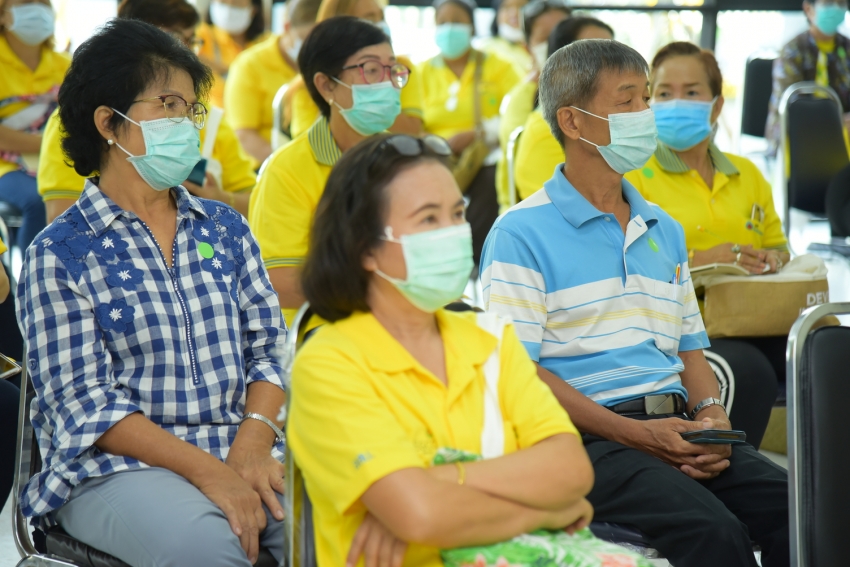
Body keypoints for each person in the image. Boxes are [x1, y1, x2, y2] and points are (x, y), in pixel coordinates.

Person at [481, 39, 790, 566]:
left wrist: (712, 418)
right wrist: (639, 435)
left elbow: (689, 350)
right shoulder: (519, 234)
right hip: (584, 439)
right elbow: (518, 374)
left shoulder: (662, 228)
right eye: (628, 101)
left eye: (646, 99)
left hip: (675, 423)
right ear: (572, 122)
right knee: (713, 531)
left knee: (803, 506)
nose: (647, 114)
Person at [16, 19, 287, 567]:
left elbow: (270, 349)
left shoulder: (225, 228)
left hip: (243, 446)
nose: (185, 123)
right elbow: (88, 404)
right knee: (209, 551)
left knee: (341, 527)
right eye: (167, 105)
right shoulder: (61, 253)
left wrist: (253, 442)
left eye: (190, 109)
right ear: (108, 123)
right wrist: (212, 473)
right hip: (115, 468)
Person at [288, 133, 596, 567]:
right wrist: (551, 512)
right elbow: (422, 515)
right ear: (366, 249)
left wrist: (441, 480)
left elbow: (572, 470)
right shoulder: (329, 364)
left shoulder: (490, 337)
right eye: (428, 219)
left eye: (456, 214)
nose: (452, 233)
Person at [625, 42, 791, 448]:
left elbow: (780, 246)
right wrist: (703, 259)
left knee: (827, 351)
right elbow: (626, 260)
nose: (676, 103)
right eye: (664, 93)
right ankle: (726, 467)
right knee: (751, 372)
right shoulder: (635, 176)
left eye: (692, 92)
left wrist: (770, 259)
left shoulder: (747, 174)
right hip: (684, 329)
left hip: (759, 315)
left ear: (716, 106)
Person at [249, 16, 409, 326]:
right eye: (371, 70)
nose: (388, 82)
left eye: (393, 69)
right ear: (326, 85)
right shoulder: (287, 170)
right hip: (326, 329)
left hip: (404, 321)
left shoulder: (405, 158)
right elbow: (278, 279)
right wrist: (378, 290)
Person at [38, 0, 258, 223]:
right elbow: (61, 218)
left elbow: (257, 202)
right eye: (173, 37)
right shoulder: (79, 118)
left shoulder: (204, 115)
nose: (185, 51)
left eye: (191, 40)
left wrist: (220, 199)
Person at [419, 0, 520, 264]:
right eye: (442, 22)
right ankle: (435, 257)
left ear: (472, 27)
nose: (449, 28)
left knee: (492, 178)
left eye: (457, 21)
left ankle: (474, 259)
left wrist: (479, 134)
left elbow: (516, 111)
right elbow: (410, 124)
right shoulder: (420, 73)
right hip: (433, 155)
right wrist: (435, 143)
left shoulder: (498, 66)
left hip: (483, 154)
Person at [500, 16, 612, 211]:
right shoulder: (550, 130)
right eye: (596, 57)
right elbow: (579, 210)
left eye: (614, 55)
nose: (612, 66)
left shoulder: (607, 118)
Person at [286, 0, 424, 140]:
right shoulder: (304, 87)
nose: (380, 25)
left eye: (381, 17)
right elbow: (309, 142)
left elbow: (412, 132)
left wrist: (381, 103)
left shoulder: (398, 69)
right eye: (369, 20)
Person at [0, 0, 68, 252]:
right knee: (38, 200)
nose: (37, 9)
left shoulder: (66, 65)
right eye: (27, 2)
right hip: (6, 167)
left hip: (57, 161)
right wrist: (51, 143)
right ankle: (35, 272)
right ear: (3, 15)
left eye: (43, 3)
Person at [224, 0, 321, 164]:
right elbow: (244, 135)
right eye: (306, 40)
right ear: (287, 27)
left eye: (321, 43)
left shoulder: (329, 64)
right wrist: (288, 165)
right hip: (265, 165)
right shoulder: (249, 66)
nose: (313, 49)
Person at [766, 0, 850, 153]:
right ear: (808, 8)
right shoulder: (792, 51)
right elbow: (793, 105)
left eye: (841, 3)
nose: (836, 8)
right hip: (797, 135)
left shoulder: (847, 48)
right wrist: (834, 122)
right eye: (828, 3)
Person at [197, 0, 267, 109]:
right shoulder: (201, 33)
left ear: (254, 9)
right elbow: (189, 57)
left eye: (236, 3)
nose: (228, 9)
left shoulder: (264, 43)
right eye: (223, 2)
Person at [480, 0, 531, 75]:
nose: (514, 13)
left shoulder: (539, 45)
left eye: (521, 6)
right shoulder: (488, 49)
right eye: (507, 7)